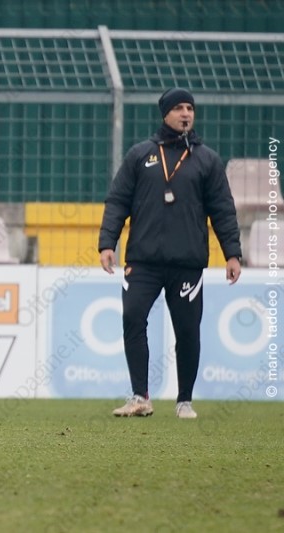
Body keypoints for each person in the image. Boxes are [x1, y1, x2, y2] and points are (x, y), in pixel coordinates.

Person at [98, 87, 242, 419]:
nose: (186, 113)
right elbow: (117, 200)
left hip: (187, 262)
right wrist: (107, 243)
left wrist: (232, 253)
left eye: (190, 108)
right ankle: (140, 396)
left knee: (188, 330)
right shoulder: (140, 155)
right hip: (142, 260)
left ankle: (184, 400)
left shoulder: (207, 159)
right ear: (165, 113)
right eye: (178, 108)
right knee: (133, 318)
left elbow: (223, 209)